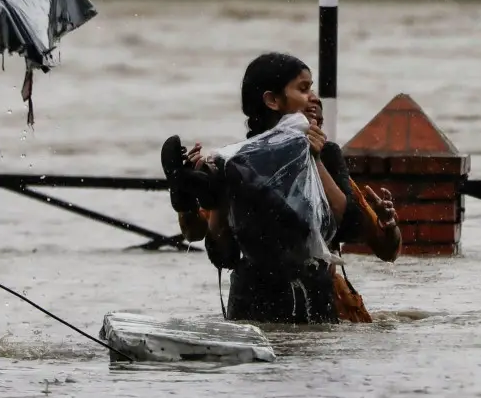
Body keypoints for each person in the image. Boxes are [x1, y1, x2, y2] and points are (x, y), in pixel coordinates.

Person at [160, 52, 401, 324]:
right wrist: (215, 197)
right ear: (272, 101)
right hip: (260, 302)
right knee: (227, 181)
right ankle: (198, 187)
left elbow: (358, 230)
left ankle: (199, 186)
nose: (312, 98)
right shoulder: (237, 162)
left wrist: (316, 159)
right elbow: (221, 252)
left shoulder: (326, 155)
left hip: (308, 300)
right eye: (304, 89)